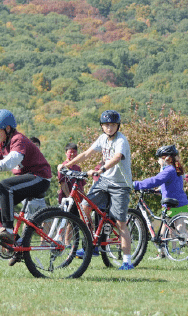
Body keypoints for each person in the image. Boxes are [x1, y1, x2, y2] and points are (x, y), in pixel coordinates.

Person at [57, 110, 134, 270]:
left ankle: (127, 261)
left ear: (117, 126)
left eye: (112, 125)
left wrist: (102, 169)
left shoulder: (121, 140)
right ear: (102, 126)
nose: (109, 128)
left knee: (120, 223)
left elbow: (117, 157)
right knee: (84, 207)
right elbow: (86, 154)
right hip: (104, 182)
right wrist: (67, 165)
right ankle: (88, 242)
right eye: (106, 125)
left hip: (120, 185)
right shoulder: (102, 139)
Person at [0, 109, 52, 259]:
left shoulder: (18, 139)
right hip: (27, 178)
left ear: (8, 128)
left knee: (4, 185)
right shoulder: (2, 144)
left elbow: (11, 161)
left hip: (39, 178)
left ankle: (8, 231)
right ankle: (20, 247)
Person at [133, 145, 188, 259]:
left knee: (172, 231)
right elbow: (173, 187)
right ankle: (167, 252)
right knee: (174, 230)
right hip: (182, 203)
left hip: (171, 205)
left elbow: (155, 180)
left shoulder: (168, 170)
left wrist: (136, 184)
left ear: (165, 158)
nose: (158, 160)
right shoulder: (177, 170)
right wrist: (159, 191)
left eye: (159, 158)